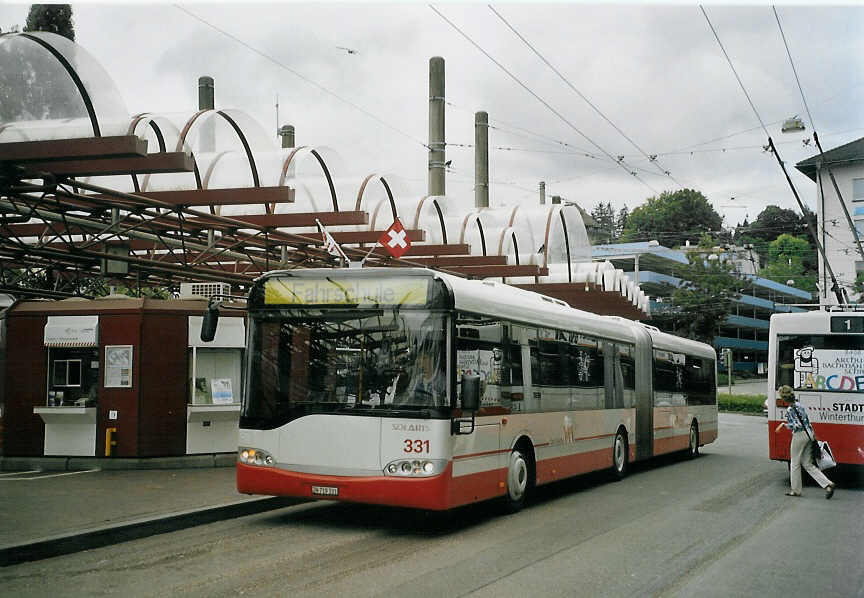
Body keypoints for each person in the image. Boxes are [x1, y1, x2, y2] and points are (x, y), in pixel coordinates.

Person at [774, 385, 836, 499]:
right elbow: (806, 421)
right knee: (807, 464)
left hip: (799, 435)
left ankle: (796, 490)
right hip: (809, 434)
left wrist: (784, 425)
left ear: (784, 399)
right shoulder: (799, 405)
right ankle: (827, 484)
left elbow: (796, 425)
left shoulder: (790, 409)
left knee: (795, 462)